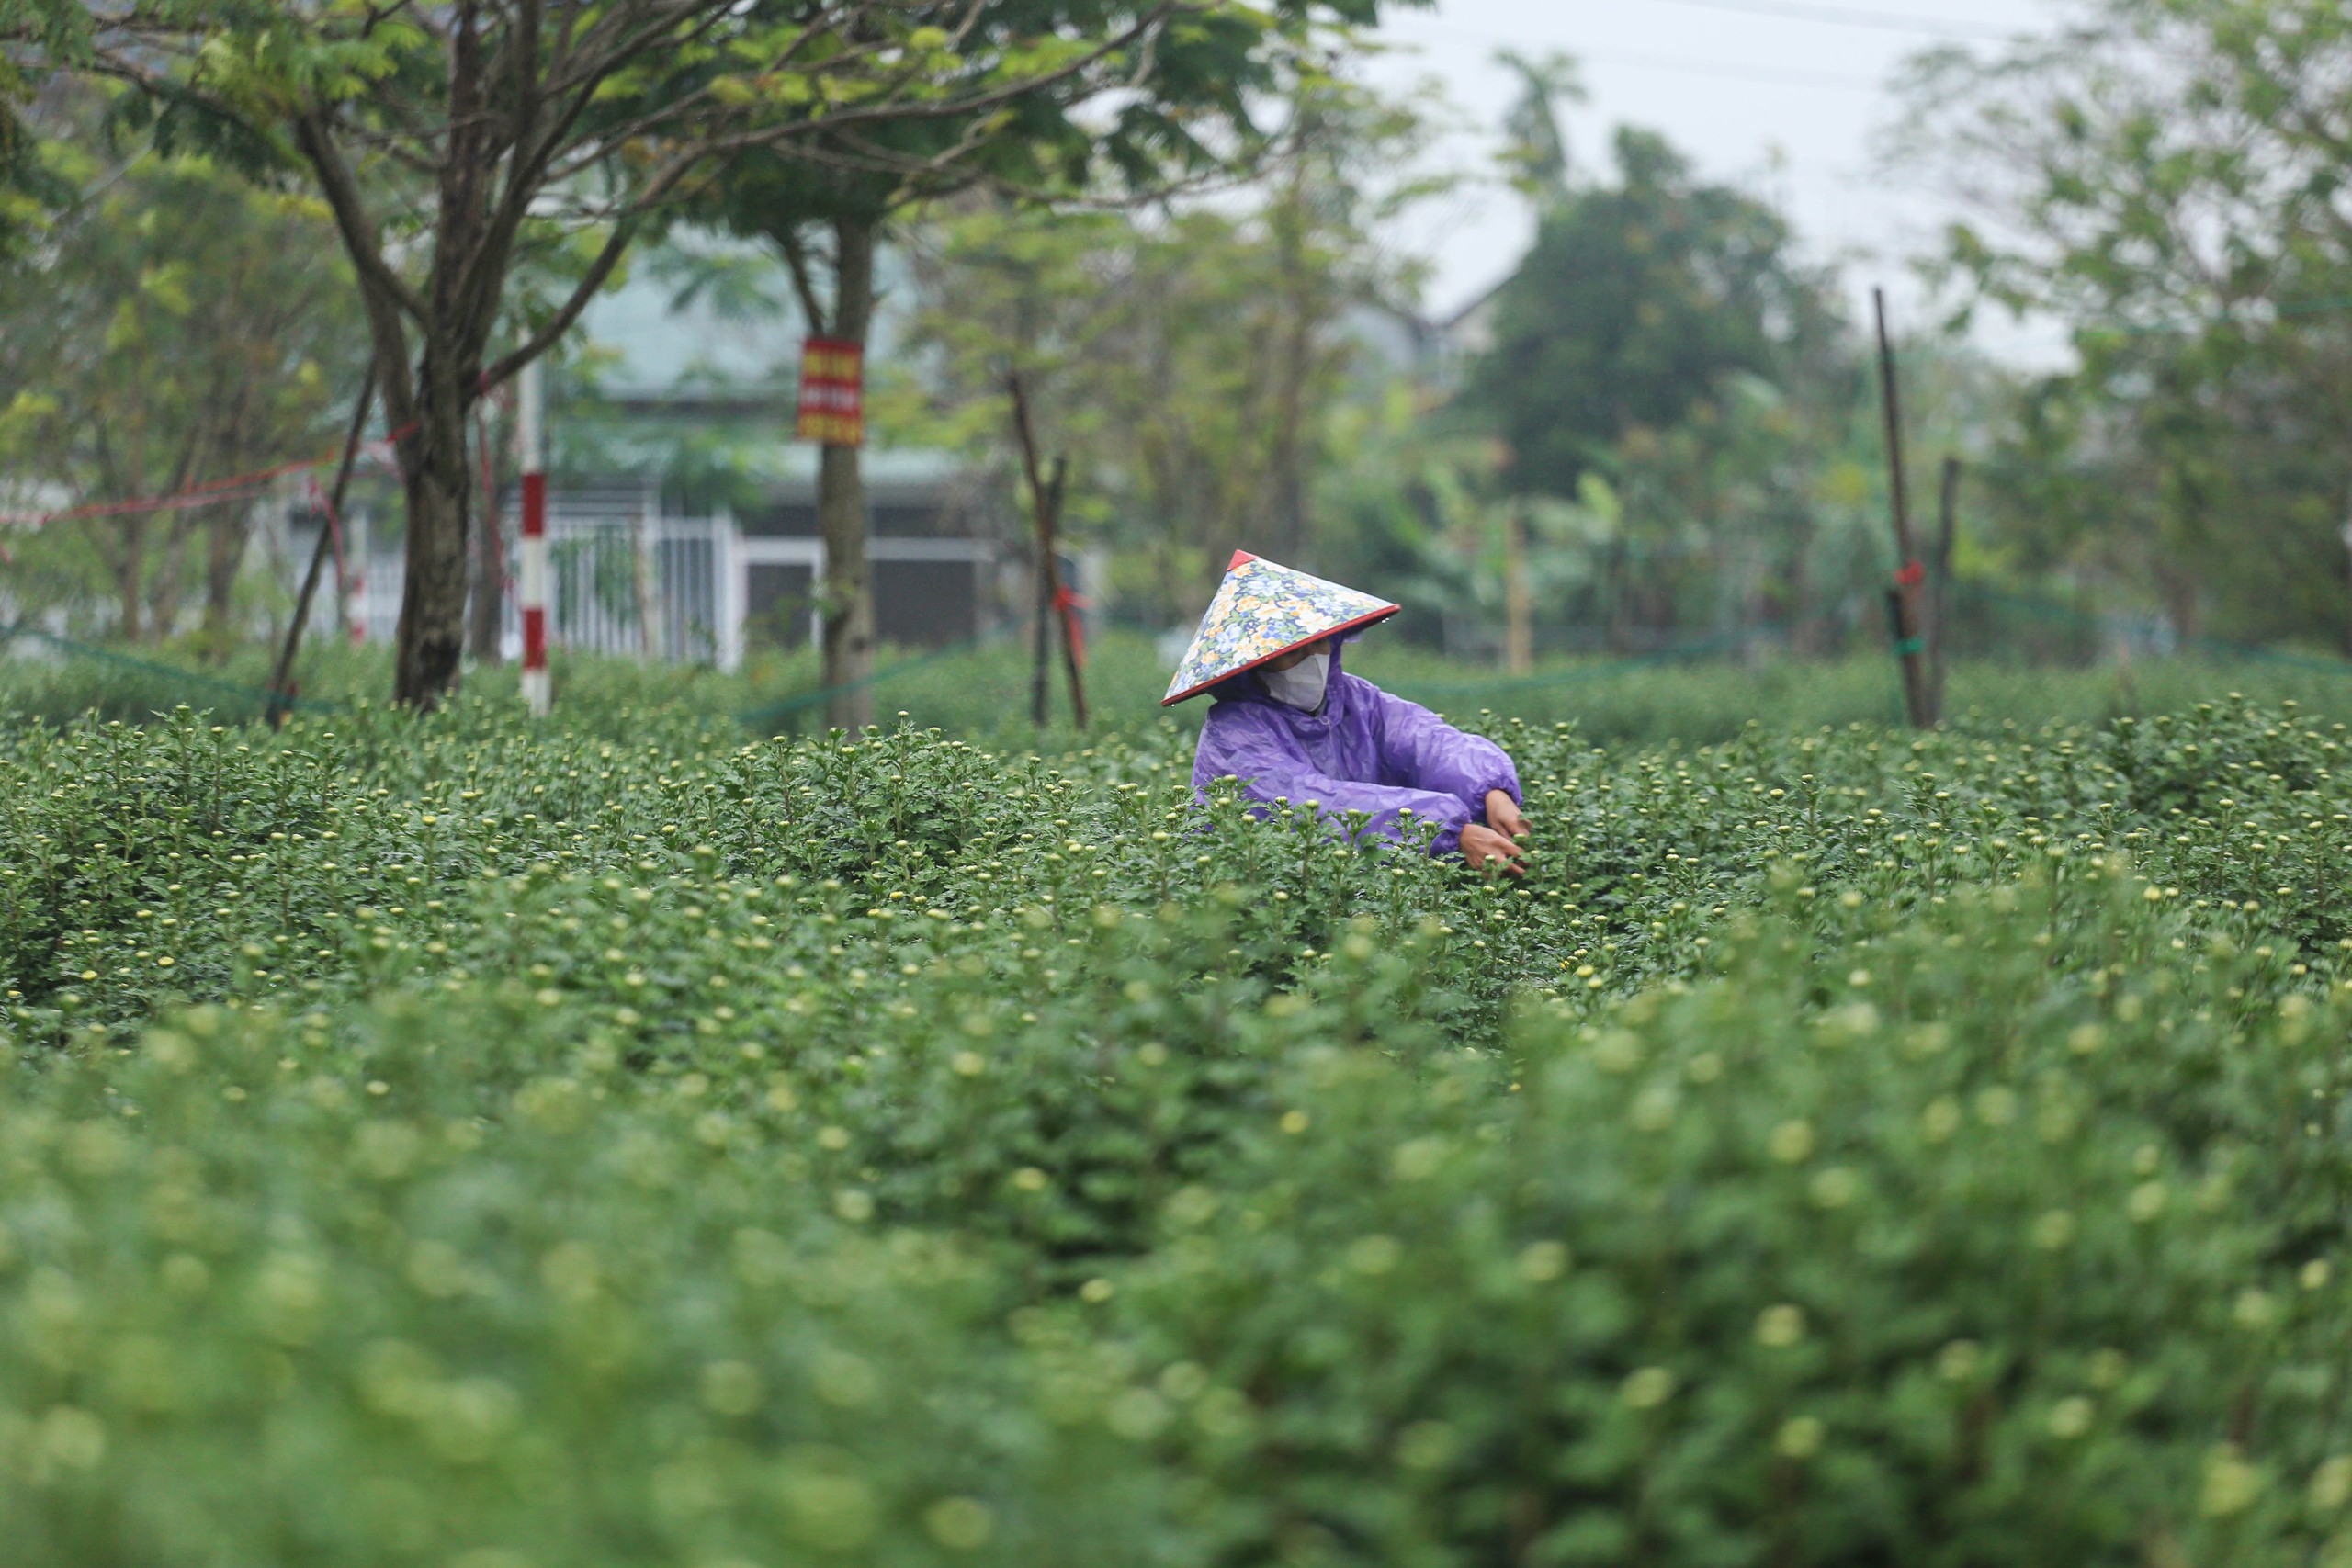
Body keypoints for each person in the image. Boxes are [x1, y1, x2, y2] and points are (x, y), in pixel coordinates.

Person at [1164, 550, 1530, 874]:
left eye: (1318, 643)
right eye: (1292, 653)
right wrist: (1446, 830)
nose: (1311, 661)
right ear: (1253, 666)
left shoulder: (1355, 700)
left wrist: (1490, 790)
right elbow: (1311, 806)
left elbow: (1428, 741)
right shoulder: (1233, 734)